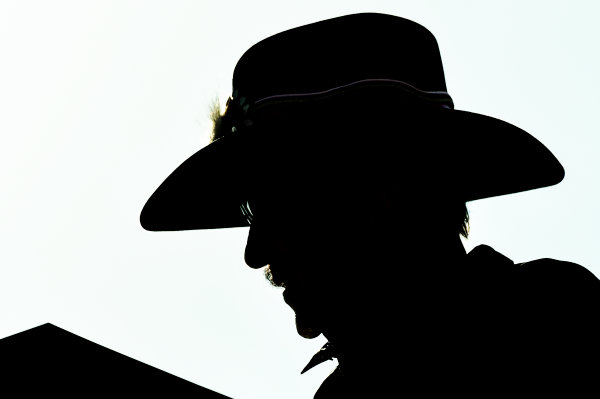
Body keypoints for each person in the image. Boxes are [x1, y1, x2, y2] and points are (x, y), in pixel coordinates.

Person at [141, 13, 600, 398]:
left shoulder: (558, 321)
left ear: (384, 189)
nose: (255, 252)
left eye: (272, 204)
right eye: (250, 210)